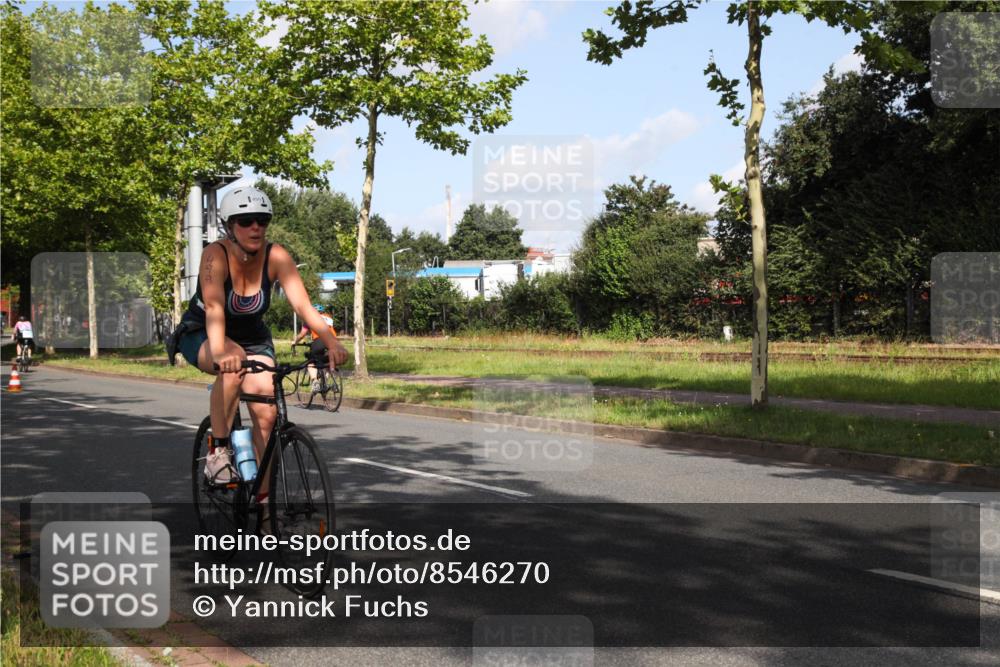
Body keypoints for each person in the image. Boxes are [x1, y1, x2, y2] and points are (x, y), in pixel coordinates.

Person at [176, 186, 348, 487]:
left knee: (268, 416)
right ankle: (218, 452)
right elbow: (214, 307)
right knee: (233, 365)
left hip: (253, 337)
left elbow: (303, 306)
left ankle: (264, 504)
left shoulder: (276, 255)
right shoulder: (215, 255)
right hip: (203, 330)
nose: (255, 227)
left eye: (262, 220)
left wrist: (332, 342)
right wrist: (220, 351)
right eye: (246, 221)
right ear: (230, 226)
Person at [292, 305, 338, 392]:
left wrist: (295, 342)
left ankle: (315, 382)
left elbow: (302, 334)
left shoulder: (309, 318)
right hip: (334, 342)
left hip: (320, 340)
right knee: (327, 362)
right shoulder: (328, 317)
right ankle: (326, 383)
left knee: (311, 361)